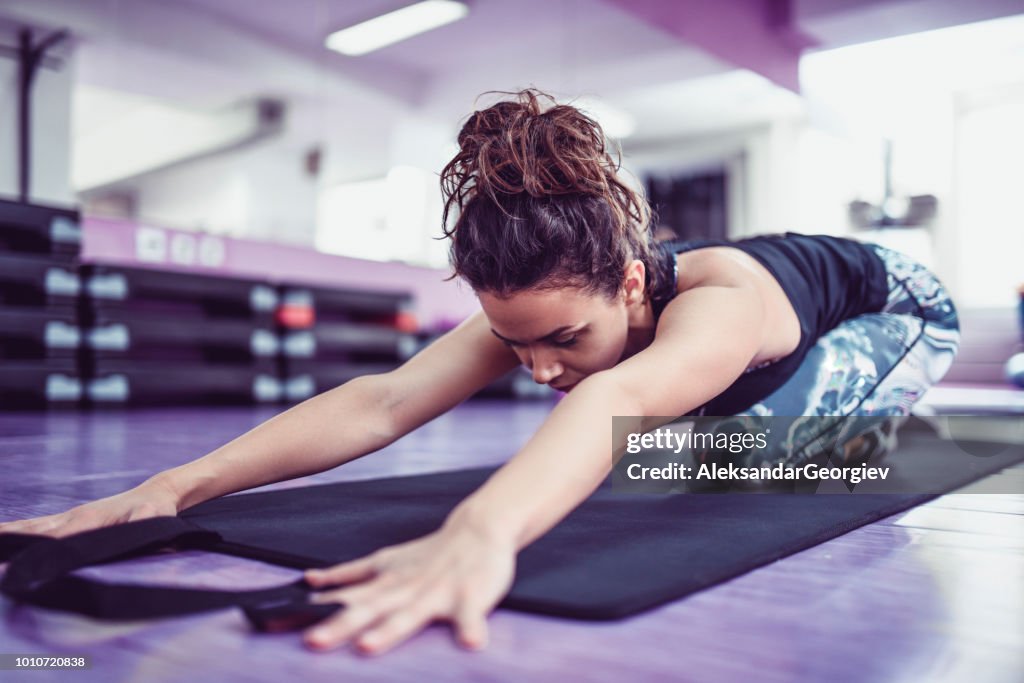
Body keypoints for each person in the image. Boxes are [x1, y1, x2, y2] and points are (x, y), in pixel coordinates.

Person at [0, 89, 960, 655]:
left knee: (726, 464)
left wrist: (481, 532)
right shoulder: (551, 300)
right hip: (715, 344)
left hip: (901, 314)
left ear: (630, 283)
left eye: (564, 340)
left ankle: (877, 442)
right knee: (650, 439)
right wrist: (174, 487)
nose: (539, 369)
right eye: (516, 343)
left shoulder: (724, 303)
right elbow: (381, 404)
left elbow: (619, 394)